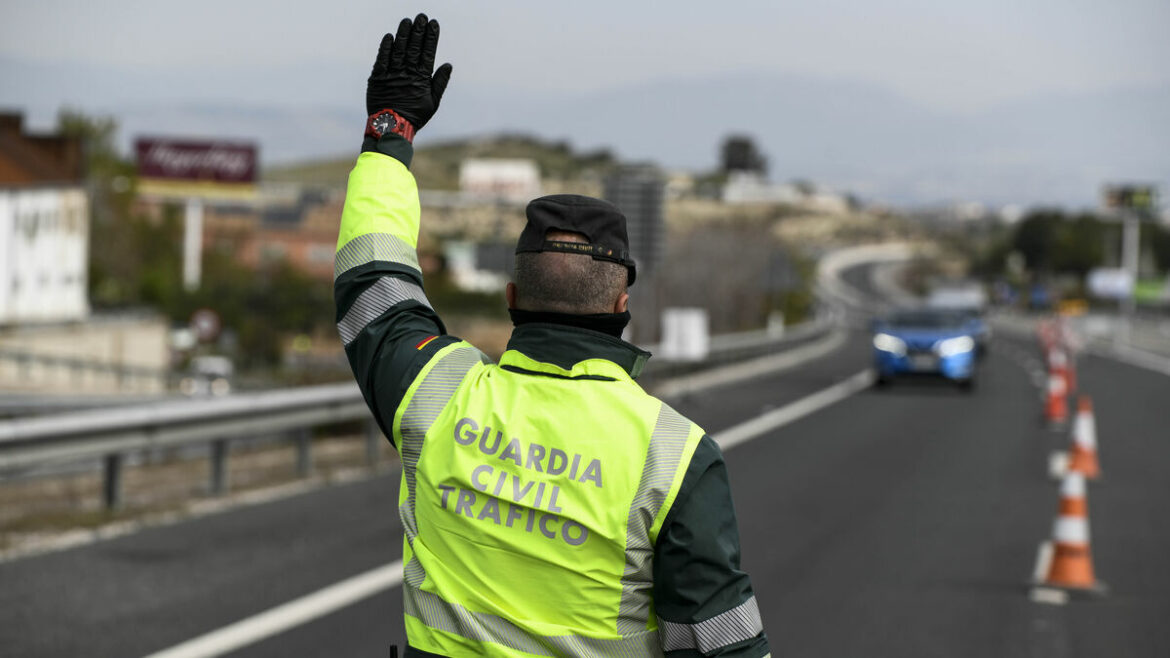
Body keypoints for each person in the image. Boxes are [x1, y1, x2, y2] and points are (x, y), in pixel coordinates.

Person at [335, 13, 771, 658]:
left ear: (512, 298)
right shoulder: (675, 456)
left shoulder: (433, 394)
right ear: (622, 303)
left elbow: (373, 274)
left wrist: (388, 134)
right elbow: (721, 646)